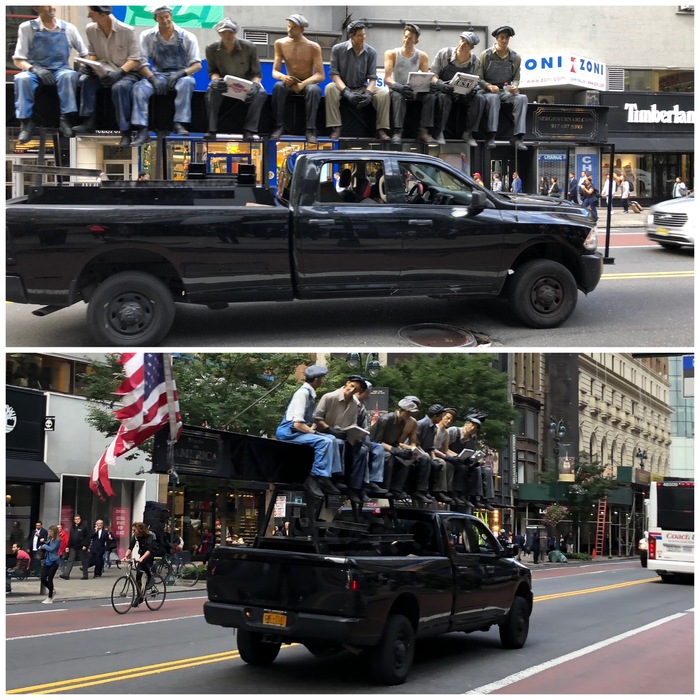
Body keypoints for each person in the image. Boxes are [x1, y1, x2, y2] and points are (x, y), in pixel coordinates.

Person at [12, 5, 89, 143]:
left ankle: (65, 119)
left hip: (61, 69)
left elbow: (85, 54)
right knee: (21, 78)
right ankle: (26, 123)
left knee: (69, 76)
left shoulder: (69, 28)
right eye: (46, 4)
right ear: (37, 8)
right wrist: (34, 69)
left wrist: (86, 67)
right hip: (36, 70)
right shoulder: (26, 28)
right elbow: (18, 59)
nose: (51, 7)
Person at [131, 6, 202, 147]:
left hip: (181, 74)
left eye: (167, 16)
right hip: (158, 74)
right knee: (139, 88)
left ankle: (179, 123)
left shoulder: (187, 36)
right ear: (155, 19)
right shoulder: (147, 36)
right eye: (161, 17)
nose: (164, 20)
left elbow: (197, 65)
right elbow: (141, 63)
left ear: (171, 16)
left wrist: (180, 73)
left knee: (187, 83)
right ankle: (142, 129)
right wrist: (152, 78)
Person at [73, 6, 142, 149]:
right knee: (85, 80)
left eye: (91, 13)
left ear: (102, 14)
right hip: (103, 70)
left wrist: (120, 73)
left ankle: (125, 131)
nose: (88, 16)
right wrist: (90, 65)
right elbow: (93, 53)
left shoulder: (127, 31)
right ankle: (89, 122)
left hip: (126, 73)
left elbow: (135, 59)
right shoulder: (90, 29)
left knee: (119, 88)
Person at [276, 365, 343, 498]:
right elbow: (298, 424)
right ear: (317, 379)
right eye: (321, 379)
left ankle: (331, 476)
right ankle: (315, 477)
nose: (322, 381)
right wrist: (315, 434)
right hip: (289, 432)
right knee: (324, 441)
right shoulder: (303, 394)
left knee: (333, 439)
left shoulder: (309, 394)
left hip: (296, 431)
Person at [325, 20, 391, 142]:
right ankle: (336, 127)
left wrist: (369, 93)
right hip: (342, 85)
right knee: (329, 88)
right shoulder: (338, 49)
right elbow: (334, 74)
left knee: (383, 93)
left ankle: (381, 129)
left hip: (361, 87)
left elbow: (372, 78)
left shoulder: (371, 52)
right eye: (359, 35)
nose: (363, 38)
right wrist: (346, 92)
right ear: (352, 36)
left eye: (364, 34)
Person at [204, 17, 267, 140]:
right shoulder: (211, 49)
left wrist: (254, 85)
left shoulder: (249, 47)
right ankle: (211, 129)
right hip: (225, 85)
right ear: (219, 33)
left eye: (230, 32)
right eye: (224, 32)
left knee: (261, 93)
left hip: (246, 84)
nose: (227, 35)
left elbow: (257, 74)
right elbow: (212, 71)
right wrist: (215, 80)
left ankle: (249, 130)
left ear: (235, 33)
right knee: (211, 89)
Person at [313, 374, 368, 503]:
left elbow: (352, 424)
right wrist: (329, 429)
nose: (353, 390)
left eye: (357, 389)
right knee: (337, 442)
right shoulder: (329, 397)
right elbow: (316, 417)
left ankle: (355, 486)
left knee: (362, 450)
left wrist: (356, 437)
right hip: (322, 433)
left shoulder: (356, 404)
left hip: (343, 434)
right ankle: (338, 478)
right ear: (347, 383)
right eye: (352, 386)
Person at [270, 14, 325, 144]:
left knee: (314, 90)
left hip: (307, 81)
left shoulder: (313, 47)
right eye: (289, 26)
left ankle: (310, 129)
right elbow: (275, 71)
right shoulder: (280, 43)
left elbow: (321, 75)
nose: (289, 30)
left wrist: (303, 84)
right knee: (278, 87)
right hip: (290, 81)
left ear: (301, 30)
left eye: (293, 28)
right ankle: (279, 125)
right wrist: (284, 77)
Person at [384, 23, 437, 145]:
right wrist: (399, 87)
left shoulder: (422, 56)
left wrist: (432, 85)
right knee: (398, 96)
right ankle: (398, 131)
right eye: (406, 36)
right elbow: (387, 79)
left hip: (414, 89)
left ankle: (423, 131)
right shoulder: (392, 53)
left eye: (411, 38)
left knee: (430, 97)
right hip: (397, 88)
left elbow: (427, 76)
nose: (407, 40)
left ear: (416, 41)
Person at [370, 397, 431, 502]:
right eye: (408, 413)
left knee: (405, 460)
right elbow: (376, 441)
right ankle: (384, 487)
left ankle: (396, 489)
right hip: (374, 446)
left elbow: (396, 442)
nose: (409, 415)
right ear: (401, 410)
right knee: (389, 457)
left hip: (388, 447)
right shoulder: (385, 419)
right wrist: (395, 450)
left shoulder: (402, 422)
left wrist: (403, 451)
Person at [430, 30, 485, 147]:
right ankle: (440, 132)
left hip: (463, 93)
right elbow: (433, 75)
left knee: (480, 98)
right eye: (461, 40)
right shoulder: (444, 53)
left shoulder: (475, 61)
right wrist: (440, 84)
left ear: (471, 47)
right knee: (444, 98)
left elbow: (477, 80)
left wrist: (473, 89)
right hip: (445, 91)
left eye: (466, 43)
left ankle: (468, 133)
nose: (461, 44)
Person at [479, 25, 528, 151]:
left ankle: (518, 137)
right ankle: (491, 136)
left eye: (507, 38)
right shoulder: (486, 55)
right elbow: (478, 78)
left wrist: (515, 87)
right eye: (501, 37)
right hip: (488, 91)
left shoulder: (515, 58)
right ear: (496, 38)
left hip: (505, 91)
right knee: (493, 98)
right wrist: (489, 86)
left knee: (522, 98)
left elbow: (516, 78)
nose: (504, 40)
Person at [123, 522, 155, 606]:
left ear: (140, 530)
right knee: (138, 575)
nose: (133, 532)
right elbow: (130, 547)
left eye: (134, 530)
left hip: (150, 554)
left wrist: (141, 558)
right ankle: (139, 596)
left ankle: (150, 577)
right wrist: (125, 556)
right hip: (142, 554)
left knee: (144, 563)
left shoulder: (150, 536)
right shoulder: (135, 537)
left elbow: (149, 549)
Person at [60, 514, 90, 580]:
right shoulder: (72, 527)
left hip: (81, 546)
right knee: (70, 560)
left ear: (80, 519)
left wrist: (85, 545)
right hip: (73, 546)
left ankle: (85, 575)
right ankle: (66, 574)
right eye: (76, 519)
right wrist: (67, 546)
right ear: (74, 520)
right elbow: (70, 537)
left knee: (83, 560)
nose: (77, 520)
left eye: (78, 519)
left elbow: (88, 537)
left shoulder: (84, 527)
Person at [39, 525, 62, 604]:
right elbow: (47, 545)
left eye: (50, 532)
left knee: (50, 578)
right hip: (48, 560)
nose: (49, 533)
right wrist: (44, 543)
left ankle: (49, 597)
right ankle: (52, 590)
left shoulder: (58, 540)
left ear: (54, 532)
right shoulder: (50, 539)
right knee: (43, 578)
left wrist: (44, 546)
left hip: (54, 561)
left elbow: (52, 549)